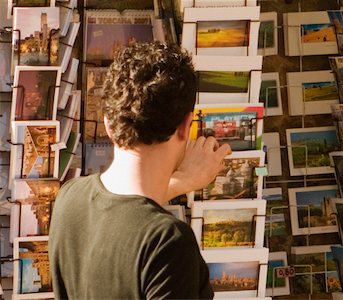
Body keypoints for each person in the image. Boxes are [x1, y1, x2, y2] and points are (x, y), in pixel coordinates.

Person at [49, 41, 231, 299]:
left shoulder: (69, 198)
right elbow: (135, 221)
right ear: (186, 126)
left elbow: (123, 215)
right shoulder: (167, 242)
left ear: (108, 125)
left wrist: (182, 181)